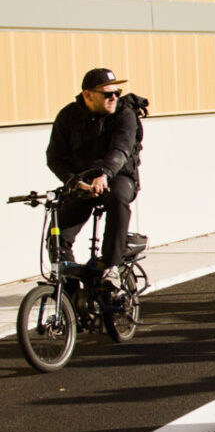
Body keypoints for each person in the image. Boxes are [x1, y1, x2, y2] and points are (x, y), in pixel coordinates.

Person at [46, 68, 146, 276]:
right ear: (88, 95)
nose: (113, 98)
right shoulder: (68, 116)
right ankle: (70, 293)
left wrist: (105, 174)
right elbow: (54, 157)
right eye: (107, 94)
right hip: (83, 181)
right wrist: (72, 180)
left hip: (118, 175)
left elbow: (121, 148)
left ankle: (111, 267)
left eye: (116, 93)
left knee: (118, 199)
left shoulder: (124, 114)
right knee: (57, 235)